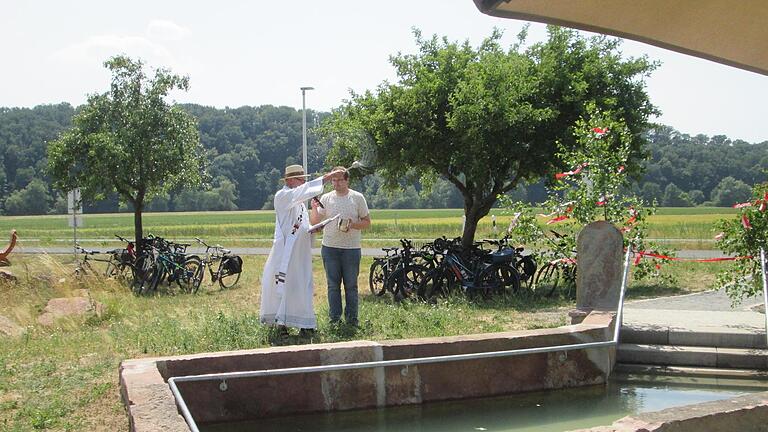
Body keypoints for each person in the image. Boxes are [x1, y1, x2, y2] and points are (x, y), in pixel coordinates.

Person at [260, 164, 343, 337]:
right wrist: (327, 178)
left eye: (304, 179)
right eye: (300, 179)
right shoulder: (282, 196)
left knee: (302, 286)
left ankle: (305, 323)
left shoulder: (300, 206)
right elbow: (303, 192)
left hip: (300, 253)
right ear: (290, 180)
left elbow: (304, 227)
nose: (303, 182)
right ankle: (280, 324)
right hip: (285, 254)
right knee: (283, 287)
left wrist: (314, 229)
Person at [310, 166, 370, 327]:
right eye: (334, 180)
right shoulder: (327, 198)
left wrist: (353, 225)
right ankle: (334, 320)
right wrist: (314, 209)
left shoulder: (357, 198)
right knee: (332, 286)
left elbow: (367, 222)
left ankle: (352, 320)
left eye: (340, 180)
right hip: (330, 247)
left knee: (351, 286)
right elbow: (315, 222)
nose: (336, 183)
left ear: (347, 180)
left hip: (351, 249)